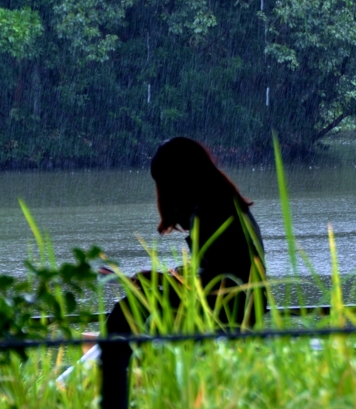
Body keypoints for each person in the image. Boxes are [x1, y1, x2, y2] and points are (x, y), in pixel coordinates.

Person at [105, 137, 265, 338]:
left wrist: (160, 280)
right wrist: (166, 278)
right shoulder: (224, 200)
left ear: (179, 178)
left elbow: (212, 284)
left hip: (228, 310)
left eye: (164, 183)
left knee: (128, 310)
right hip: (247, 307)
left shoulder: (209, 212)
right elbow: (217, 270)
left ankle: (114, 362)